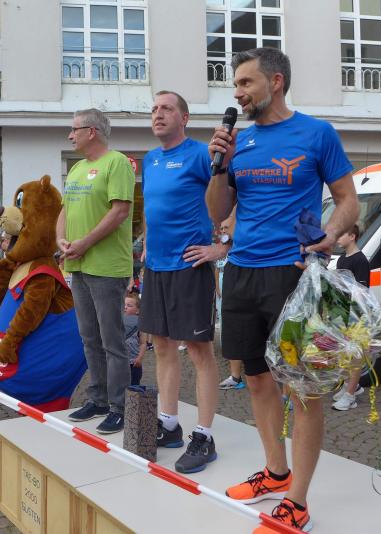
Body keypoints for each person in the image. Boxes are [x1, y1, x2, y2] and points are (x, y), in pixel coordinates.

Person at [207, 47, 359, 531]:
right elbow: (217, 212)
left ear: (275, 82)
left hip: (291, 275)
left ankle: (298, 501)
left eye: (245, 83)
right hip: (241, 271)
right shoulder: (240, 142)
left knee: (303, 389)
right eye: (235, 84)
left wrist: (330, 234)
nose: (237, 93)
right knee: (255, 378)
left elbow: (348, 199)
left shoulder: (317, 133)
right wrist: (220, 166)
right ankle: (276, 471)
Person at [139, 90, 228, 473]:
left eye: (167, 109)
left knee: (198, 350)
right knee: (162, 346)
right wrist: (146, 246)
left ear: (184, 118)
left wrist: (221, 247)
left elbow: (233, 199)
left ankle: (204, 436)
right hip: (157, 268)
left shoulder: (201, 155)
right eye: (154, 109)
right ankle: (170, 424)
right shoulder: (150, 159)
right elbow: (151, 209)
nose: (158, 114)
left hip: (190, 267)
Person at [57, 108, 134, 434]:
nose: (70, 135)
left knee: (112, 340)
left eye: (74, 129)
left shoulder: (117, 163)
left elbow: (120, 212)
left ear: (92, 131)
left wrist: (85, 242)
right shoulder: (76, 169)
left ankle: (120, 406)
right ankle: (98, 398)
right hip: (78, 264)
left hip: (107, 267)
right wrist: (60, 239)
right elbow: (65, 210)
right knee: (89, 337)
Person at [332, 224, 370, 411]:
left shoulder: (360, 260)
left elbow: (362, 291)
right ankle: (352, 386)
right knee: (345, 354)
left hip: (356, 314)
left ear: (352, 236)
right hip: (343, 313)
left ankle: (350, 396)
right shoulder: (341, 259)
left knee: (355, 355)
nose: (338, 238)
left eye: (342, 234)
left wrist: (354, 317)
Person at [216, 214, 246, 391]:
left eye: (226, 228)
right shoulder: (222, 249)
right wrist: (218, 289)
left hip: (243, 285)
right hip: (227, 288)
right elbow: (217, 269)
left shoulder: (242, 244)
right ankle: (235, 376)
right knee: (230, 327)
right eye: (222, 229)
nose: (223, 232)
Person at [123, 291, 147, 386]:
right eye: (124, 305)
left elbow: (143, 343)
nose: (125, 307)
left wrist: (140, 358)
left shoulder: (139, 325)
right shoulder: (118, 322)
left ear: (138, 310)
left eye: (129, 305)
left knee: (134, 385)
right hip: (119, 361)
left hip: (134, 362)